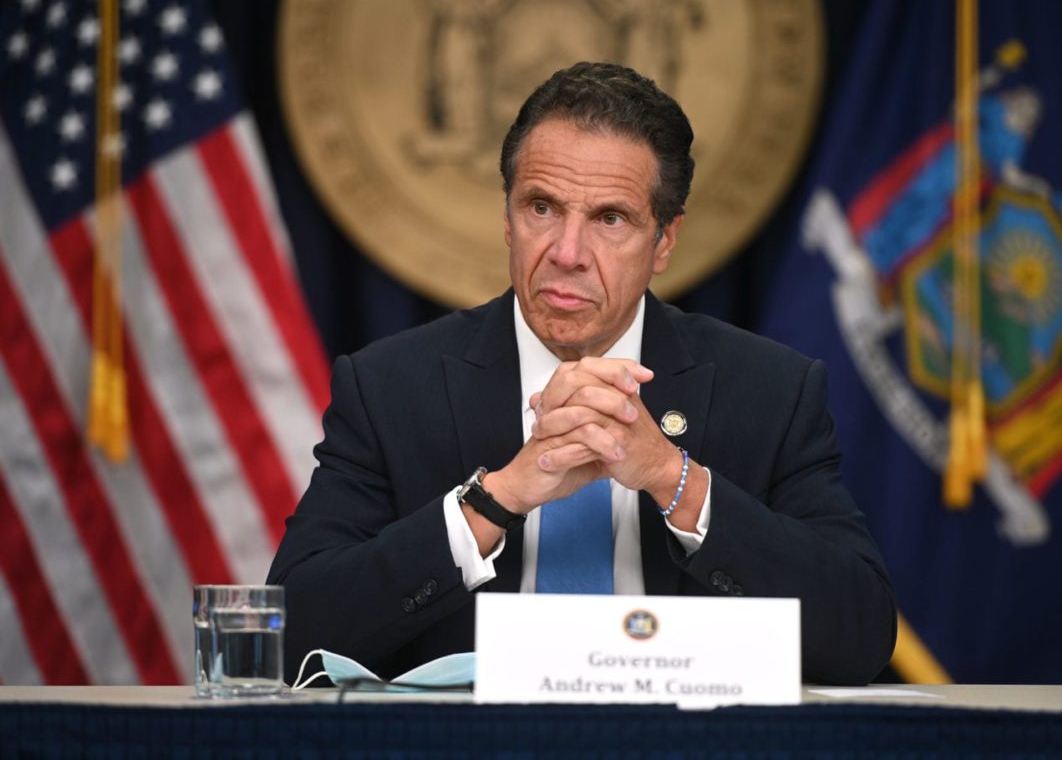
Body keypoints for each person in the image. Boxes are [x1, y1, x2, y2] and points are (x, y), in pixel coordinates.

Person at [268, 62, 897, 686]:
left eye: (610, 219)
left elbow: (859, 639)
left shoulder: (769, 392)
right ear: (507, 218)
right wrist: (500, 496)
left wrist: (671, 478)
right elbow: (292, 635)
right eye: (542, 207)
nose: (567, 254)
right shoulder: (391, 388)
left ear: (665, 241)